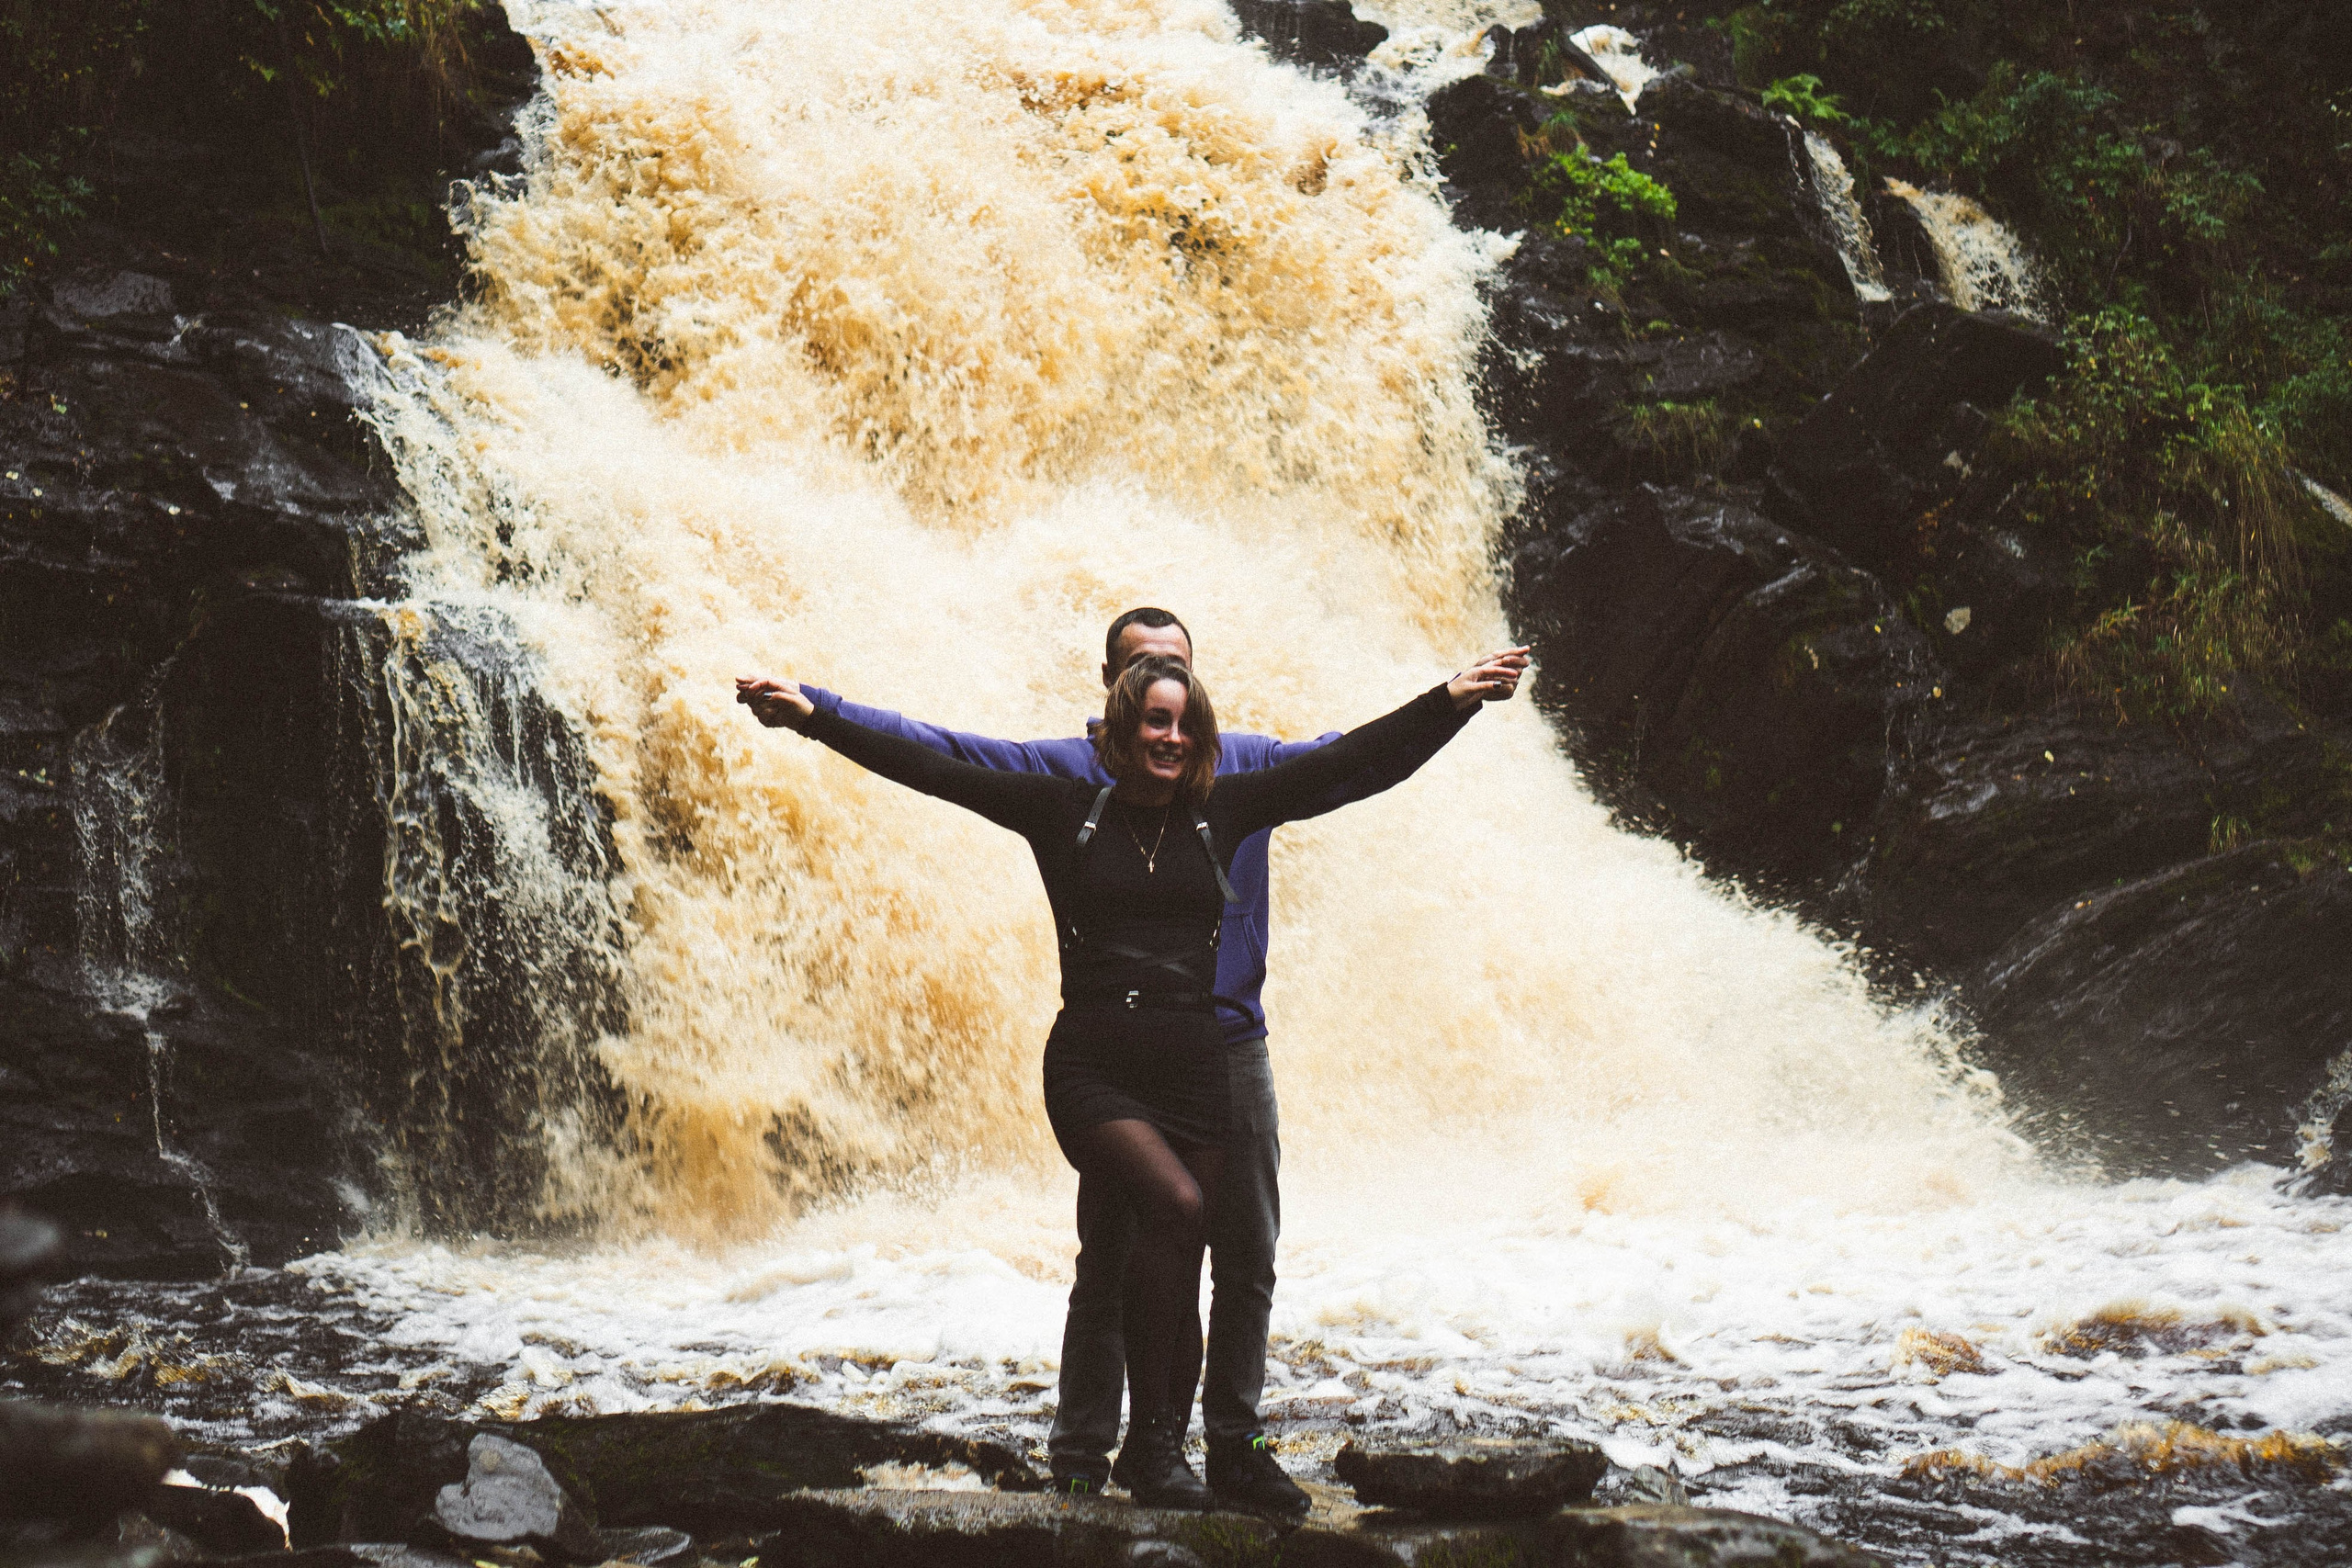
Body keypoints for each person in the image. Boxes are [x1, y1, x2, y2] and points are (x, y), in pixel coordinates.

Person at [743, 613, 1525, 1512]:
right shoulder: (1061, 785)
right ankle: (1090, 1451)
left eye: (1181, 693)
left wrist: (1451, 702)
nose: (1169, 717)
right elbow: (936, 757)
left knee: (1240, 1254)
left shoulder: (1236, 780)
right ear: (1113, 696)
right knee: (1122, 1249)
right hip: (1107, 1057)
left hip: (1217, 1051)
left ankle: (1225, 1446)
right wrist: (819, 712)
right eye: (1147, 692)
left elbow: (1350, 761)